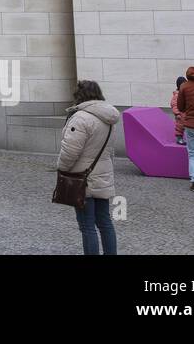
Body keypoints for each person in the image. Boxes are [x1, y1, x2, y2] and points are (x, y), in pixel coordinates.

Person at [56, 80, 120, 255]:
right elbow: (110, 149)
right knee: (105, 222)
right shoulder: (110, 117)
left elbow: (70, 151)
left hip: (82, 178)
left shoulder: (81, 118)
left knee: (87, 226)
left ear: (80, 95)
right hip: (103, 175)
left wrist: (61, 169)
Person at [170, 76, 187, 145]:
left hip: (186, 113)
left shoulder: (185, 93)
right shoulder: (177, 94)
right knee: (180, 126)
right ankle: (179, 138)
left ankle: (185, 138)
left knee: (187, 126)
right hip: (180, 114)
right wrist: (177, 113)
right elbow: (174, 104)